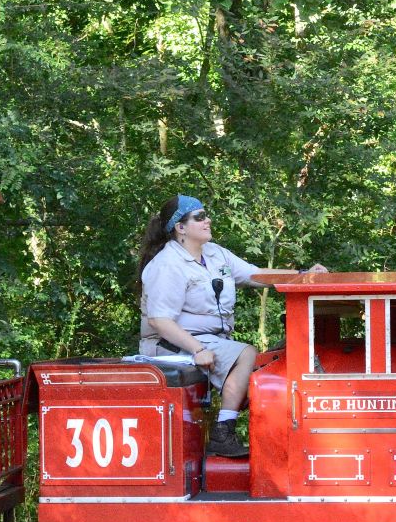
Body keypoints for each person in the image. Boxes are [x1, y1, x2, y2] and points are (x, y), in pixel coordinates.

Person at [138, 195, 325, 457]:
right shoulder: (166, 265)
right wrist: (197, 349)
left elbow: (255, 274)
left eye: (206, 214)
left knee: (272, 360)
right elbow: (160, 321)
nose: (208, 220)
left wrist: (303, 276)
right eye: (199, 217)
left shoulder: (216, 254)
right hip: (171, 344)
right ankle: (223, 432)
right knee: (246, 352)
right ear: (180, 227)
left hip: (212, 341)